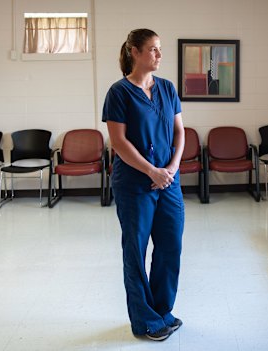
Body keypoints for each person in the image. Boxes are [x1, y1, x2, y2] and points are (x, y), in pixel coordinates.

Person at [102, 28, 185, 342]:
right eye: (153, 49)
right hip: (135, 184)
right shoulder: (119, 92)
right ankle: (145, 321)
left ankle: (163, 312)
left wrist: (171, 168)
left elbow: (180, 132)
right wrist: (152, 171)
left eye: (159, 49)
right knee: (135, 251)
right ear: (134, 52)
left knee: (170, 247)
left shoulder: (167, 88)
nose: (159, 55)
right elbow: (119, 142)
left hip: (169, 183)